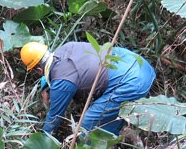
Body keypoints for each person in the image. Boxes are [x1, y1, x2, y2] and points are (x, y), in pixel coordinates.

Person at [20, 41, 155, 136]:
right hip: (139, 64)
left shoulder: (62, 82)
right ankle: (111, 139)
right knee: (109, 117)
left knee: (87, 126)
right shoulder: (67, 47)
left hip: (131, 82)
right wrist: (46, 83)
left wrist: (43, 142)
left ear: (38, 69)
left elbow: (54, 118)